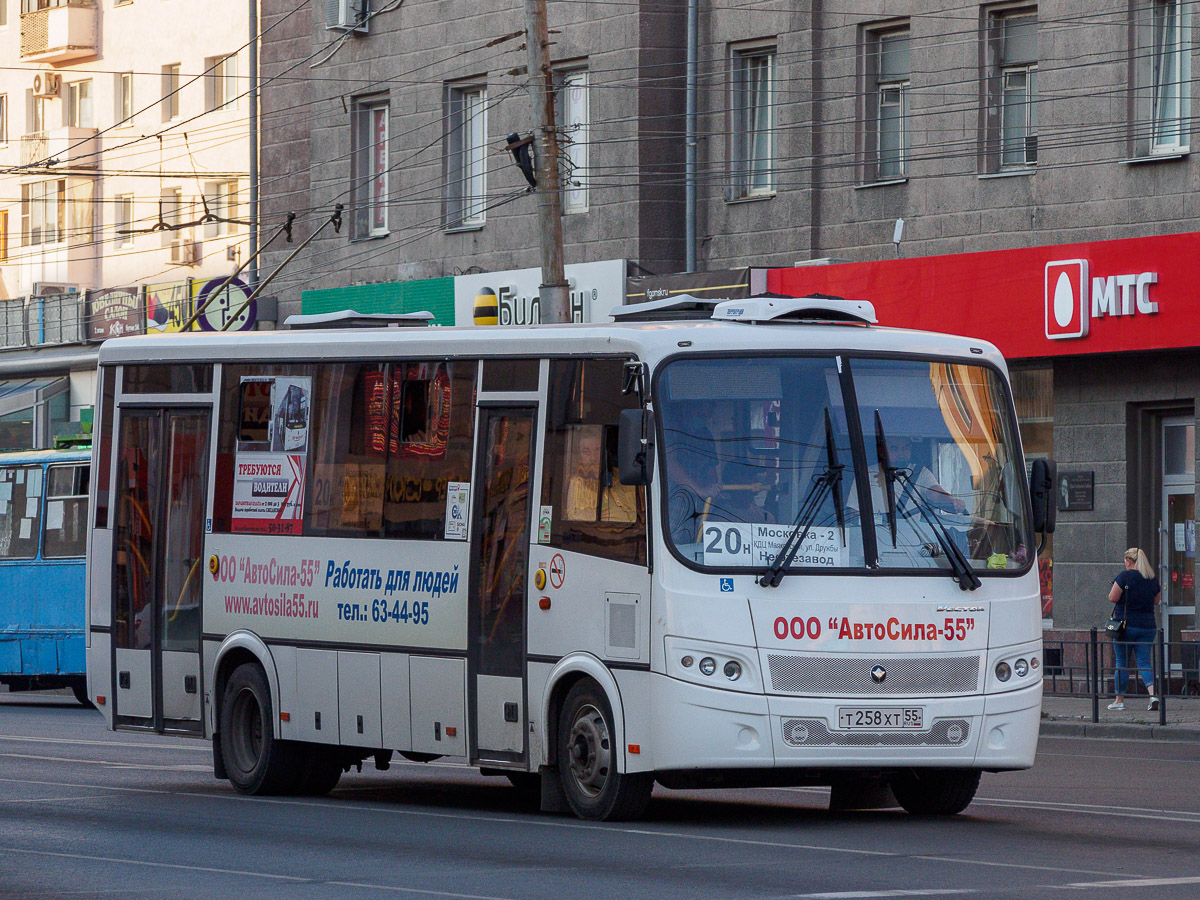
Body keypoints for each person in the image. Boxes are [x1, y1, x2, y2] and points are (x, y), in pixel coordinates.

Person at [1107, 546, 1161, 711]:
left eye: (1125, 561)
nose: (1125, 564)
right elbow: (1156, 600)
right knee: (1144, 662)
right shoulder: (1151, 578)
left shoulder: (1125, 576)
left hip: (1125, 626)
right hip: (1147, 627)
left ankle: (1119, 701)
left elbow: (1112, 597)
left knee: (1122, 663)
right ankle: (1152, 696)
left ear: (1129, 561)